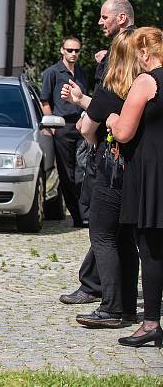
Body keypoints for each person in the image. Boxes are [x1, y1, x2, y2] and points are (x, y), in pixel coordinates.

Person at [61, 30, 140, 328]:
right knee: (126, 241)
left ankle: (111, 307)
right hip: (136, 171)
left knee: (103, 237)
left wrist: (97, 140)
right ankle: (129, 308)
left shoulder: (110, 90)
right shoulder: (143, 88)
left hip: (111, 169)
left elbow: (85, 129)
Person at [106, 27, 163, 347]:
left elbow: (124, 132)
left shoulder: (147, 81)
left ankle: (151, 323)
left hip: (152, 174)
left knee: (152, 251)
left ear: (144, 53)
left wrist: (113, 118)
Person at [41, 36, 88, 225]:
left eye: (77, 51)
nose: (73, 54)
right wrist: (52, 126)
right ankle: (79, 216)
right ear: (62, 50)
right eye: (70, 50)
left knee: (83, 171)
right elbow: (45, 101)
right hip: (61, 126)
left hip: (81, 125)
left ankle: (85, 214)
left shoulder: (82, 73)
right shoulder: (52, 73)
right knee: (67, 173)